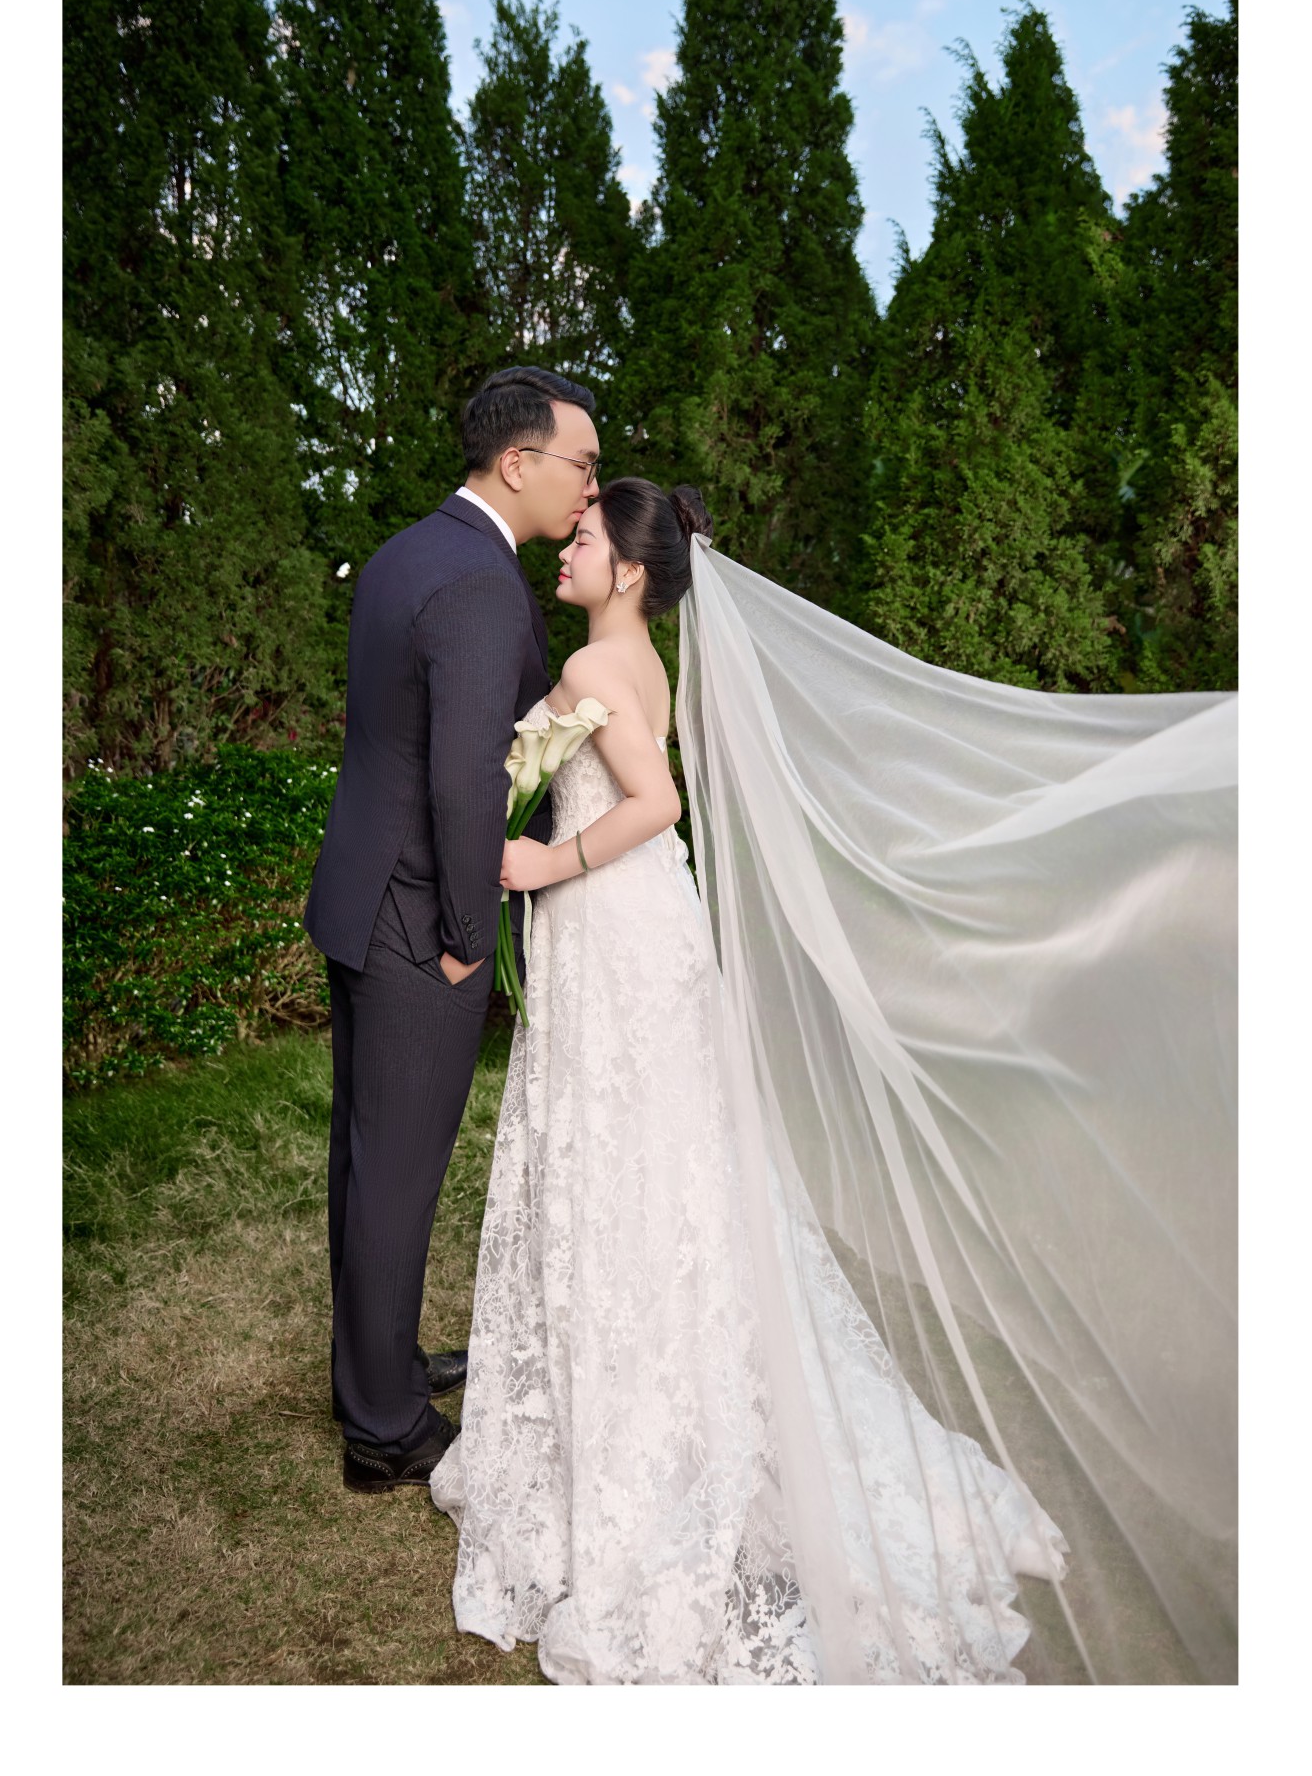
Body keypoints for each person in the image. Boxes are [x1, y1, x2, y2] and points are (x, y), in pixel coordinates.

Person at [430, 478, 1079, 1684]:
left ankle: (650, 1421)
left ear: (630, 569)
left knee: (631, 1165)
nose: (565, 548)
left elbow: (656, 803)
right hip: (638, 932)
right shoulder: (635, 661)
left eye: (583, 538)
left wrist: (538, 862)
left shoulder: (594, 668)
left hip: (617, 930)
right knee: (672, 1172)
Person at [303, 365, 601, 1492]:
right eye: (581, 464)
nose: (589, 486)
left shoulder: (406, 552)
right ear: (517, 462)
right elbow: (467, 780)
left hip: (360, 892)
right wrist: (471, 936)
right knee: (396, 1173)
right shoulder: (480, 583)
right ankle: (384, 1431)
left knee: (364, 1159)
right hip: (417, 915)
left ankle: (375, 1368)